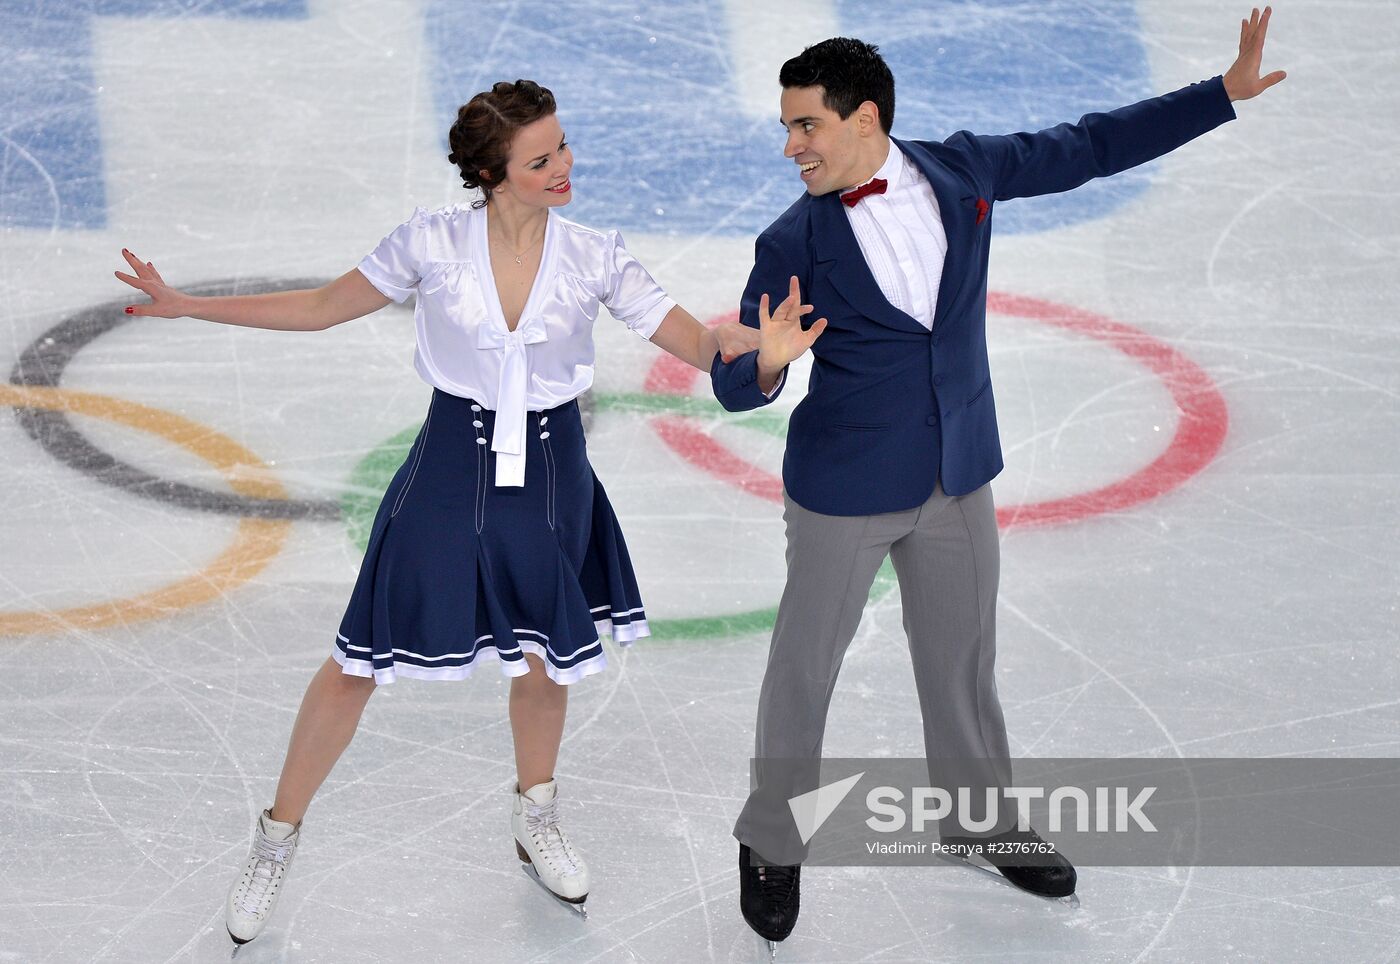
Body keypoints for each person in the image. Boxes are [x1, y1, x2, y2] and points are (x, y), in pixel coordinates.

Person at [113, 79, 768, 946]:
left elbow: (696, 343)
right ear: (492, 174)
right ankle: (276, 838)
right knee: (356, 662)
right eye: (541, 159)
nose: (565, 167)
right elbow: (321, 307)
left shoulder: (597, 256)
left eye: (563, 147)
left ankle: (536, 815)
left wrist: (751, 350)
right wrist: (191, 305)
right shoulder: (430, 243)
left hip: (552, 477)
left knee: (545, 659)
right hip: (448, 472)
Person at [709, 8, 1286, 950]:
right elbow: (738, 378)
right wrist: (765, 366)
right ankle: (772, 840)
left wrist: (1219, 94)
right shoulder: (792, 242)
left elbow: (1090, 146)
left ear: (866, 118)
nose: (790, 146)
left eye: (806, 124)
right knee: (803, 671)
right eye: (787, 126)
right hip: (844, 489)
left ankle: (978, 822)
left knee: (962, 662)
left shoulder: (963, 171)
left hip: (957, 474)